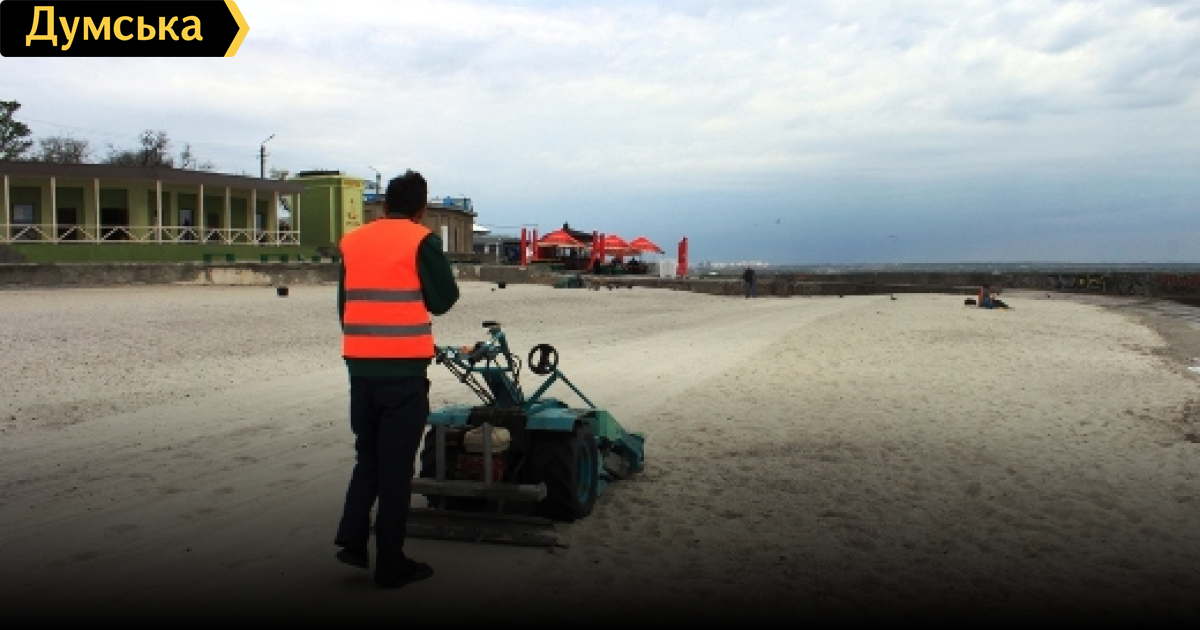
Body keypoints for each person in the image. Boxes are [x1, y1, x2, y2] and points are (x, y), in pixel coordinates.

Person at [333, 170, 460, 589]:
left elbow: (345, 307)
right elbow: (443, 300)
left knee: (367, 457)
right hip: (403, 374)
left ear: (385, 205)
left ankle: (353, 540)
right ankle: (391, 562)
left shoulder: (353, 242)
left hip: (360, 370)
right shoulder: (421, 240)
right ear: (421, 210)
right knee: (396, 469)